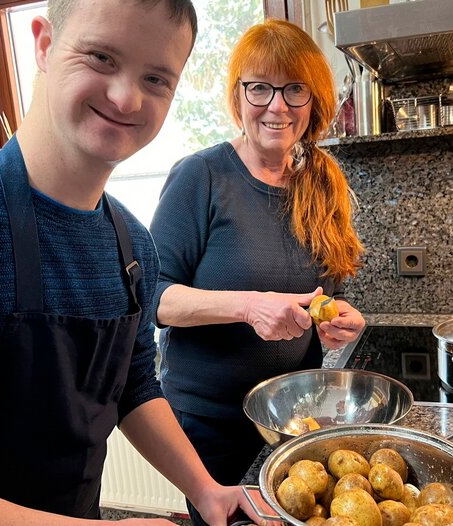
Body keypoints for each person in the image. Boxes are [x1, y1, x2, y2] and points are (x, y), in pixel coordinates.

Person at [0, 1, 268, 524]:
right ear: (45, 43)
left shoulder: (133, 247)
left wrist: (208, 490)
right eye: (100, 57)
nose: (126, 96)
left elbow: (134, 385)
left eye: (156, 78)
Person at [149, 19, 367, 526]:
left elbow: (324, 295)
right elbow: (154, 299)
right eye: (260, 87)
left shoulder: (323, 181)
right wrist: (248, 306)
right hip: (212, 425)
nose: (277, 105)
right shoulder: (200, 177)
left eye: (295, 89)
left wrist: (340, 320)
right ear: (238, 95)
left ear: (312, 101)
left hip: (296, 418)